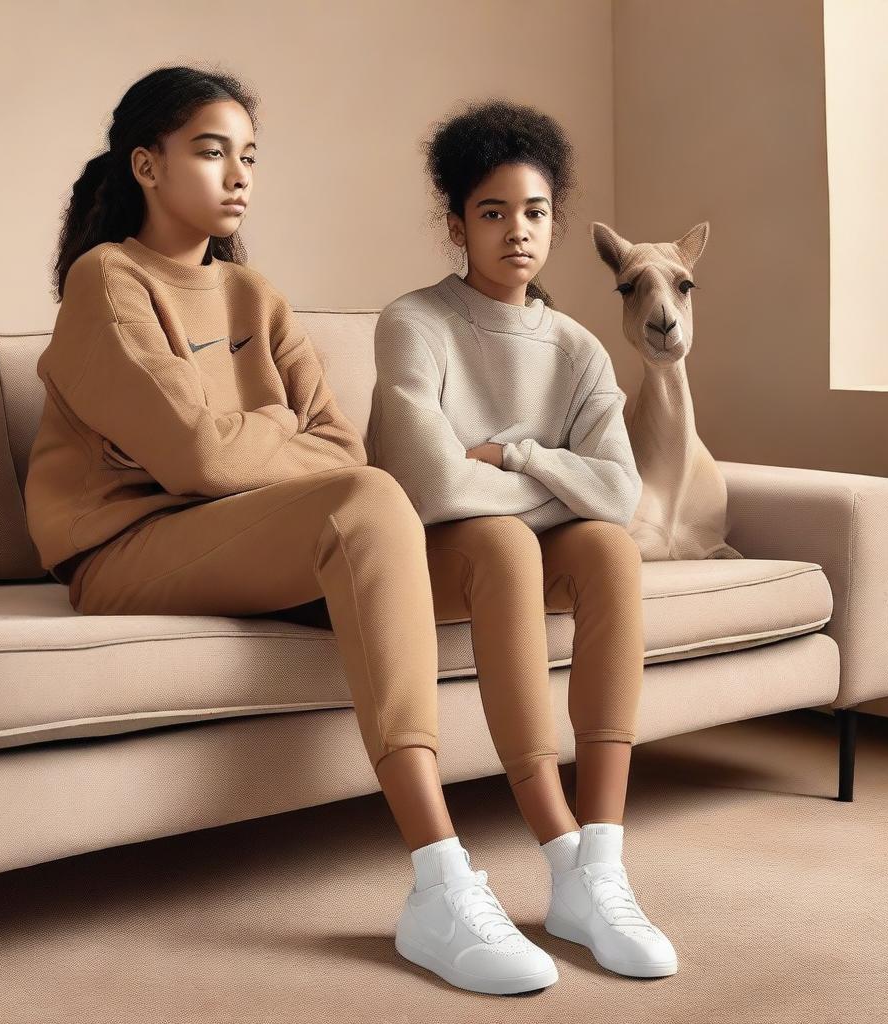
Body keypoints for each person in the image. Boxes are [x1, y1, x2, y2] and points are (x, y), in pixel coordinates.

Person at [23, 66, 559, 996]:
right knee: (366, 504)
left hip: (251, 534)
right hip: (127, 549)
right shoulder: (105, 280)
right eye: (211, 150)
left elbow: (341, 445)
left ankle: (576, 856)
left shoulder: (254, 296)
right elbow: (197, 460)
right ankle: (439, 876)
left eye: (250, 156)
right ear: (146, 165)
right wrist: (275, 435)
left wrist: (250, 440)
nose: (239, 175)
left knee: (496, 542)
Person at [365, 99, 679, 983]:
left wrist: (515, 453)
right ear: (457, 221)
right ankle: (560, 848)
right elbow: (431, 488)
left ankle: (601, 868)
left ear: (556, 222)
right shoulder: (414, 324)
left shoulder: (578, 350)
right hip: (423, 560)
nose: (517, 232)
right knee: (502, 541)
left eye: (535, 213)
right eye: (493, 212)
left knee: (610, 551)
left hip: (519, 544)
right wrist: (553, 484)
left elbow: (621, 497)